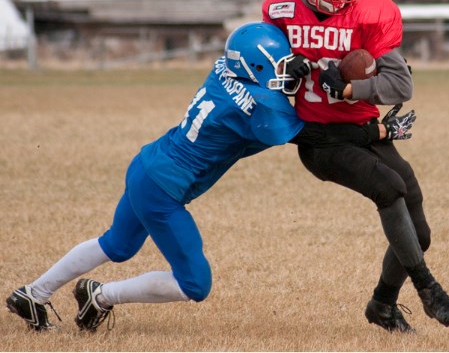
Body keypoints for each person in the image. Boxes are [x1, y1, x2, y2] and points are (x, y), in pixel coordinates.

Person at [6, 22, 415, 333]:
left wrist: (305, 64)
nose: (287, 73)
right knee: (195, 284)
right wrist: (378, 131)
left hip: (148, 165)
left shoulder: (227, 70)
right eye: (279, 66)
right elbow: (321, 136)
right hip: (163, 189)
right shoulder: (261, 108)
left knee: (117, 243)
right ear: (255, 68)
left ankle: (34, 293)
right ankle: (101, 295)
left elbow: (266, 71)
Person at [262, 0, 449, 333]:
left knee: (419, 231)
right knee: (388, 187)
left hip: (364, 130)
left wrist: (352, 88)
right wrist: (288, 69)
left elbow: (401, 86)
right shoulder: (282, 10)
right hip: (319, 139)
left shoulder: (372, 15)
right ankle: (430, 290)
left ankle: (382, 305)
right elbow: (261, 66)